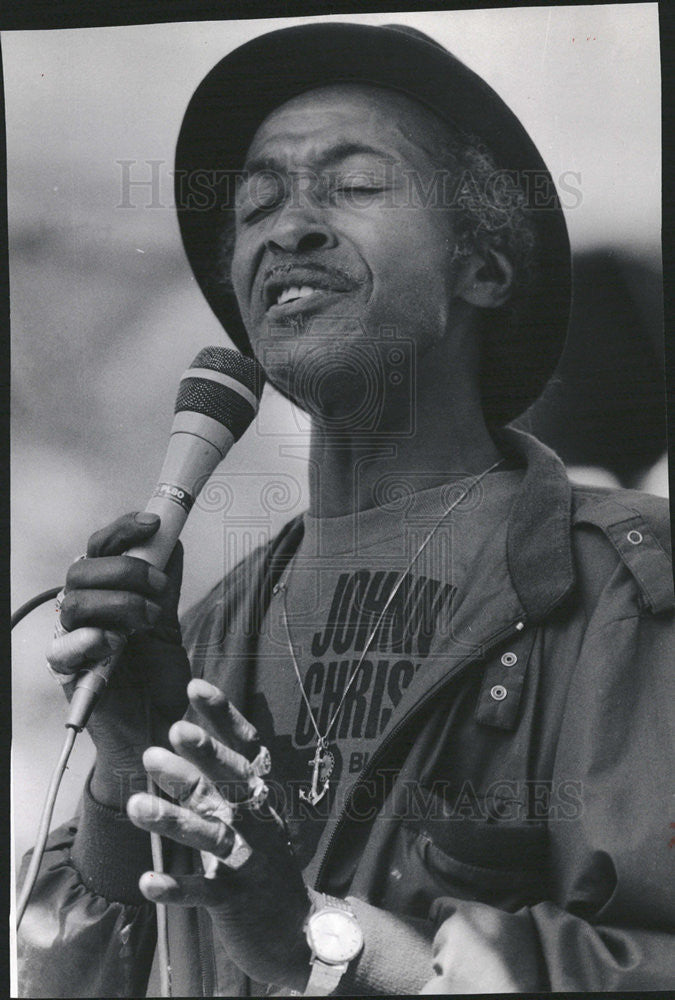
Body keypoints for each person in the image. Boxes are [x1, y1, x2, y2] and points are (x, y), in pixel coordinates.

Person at [18, 21, 674, 996]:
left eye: (356, 185)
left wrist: (320, 938)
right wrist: (129, 757)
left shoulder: (620, 585)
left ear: (485, 269)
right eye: (256, 203)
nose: (289, 227)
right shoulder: (206, 630)